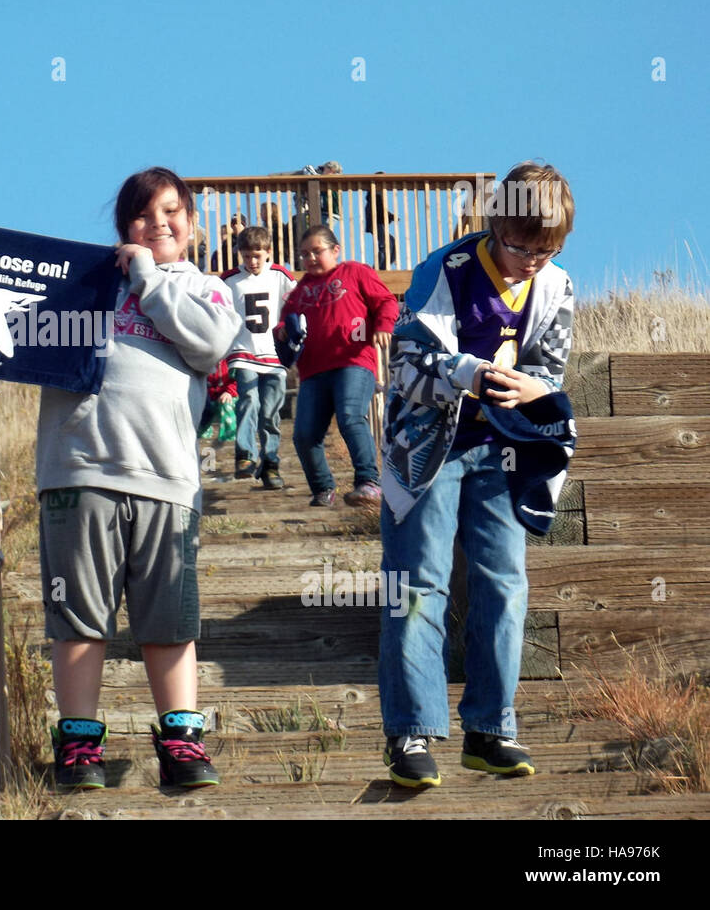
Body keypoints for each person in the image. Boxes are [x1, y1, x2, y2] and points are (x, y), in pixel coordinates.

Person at [34, 167, 241, 791]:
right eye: (144, 215)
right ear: (125, 226)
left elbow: (208, 344)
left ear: (193, 224)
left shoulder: (207, 290)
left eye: (172, 212)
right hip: (79, 472)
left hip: (167, 480)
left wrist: (148, 279)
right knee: (79, 619)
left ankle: (180, 743)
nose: (159, 224)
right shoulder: (82, 283)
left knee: (169, 623)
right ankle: (78, 746)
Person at [377, 161, 575, 788]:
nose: (531, 262)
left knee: (505, 585)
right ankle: (411, 728)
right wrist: (465, 373)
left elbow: (553, 372)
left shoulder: (557, 286)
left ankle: (491, 727)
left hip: (505, 452)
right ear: (494, 225)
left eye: (546, 251)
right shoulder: (446, 269)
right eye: (520, 246)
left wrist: (531, 388)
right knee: (419, 584)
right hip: (428, 450)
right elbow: (405, 365)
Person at [279, 225, 398, 507]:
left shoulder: (356, 272)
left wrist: (383, 325)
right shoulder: (299, 291)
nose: (309, 258)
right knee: (304, 434)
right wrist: (283, 330)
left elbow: (386, 301)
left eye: (316, 251)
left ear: (335, 250)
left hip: (353, 361)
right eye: (304, 254)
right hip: (313, 371)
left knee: (350, 415)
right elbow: (287, 321)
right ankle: (322, 488)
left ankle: (369, 482)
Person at [221, 225, 298, 488]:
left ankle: (271, 462)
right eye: (246, 256)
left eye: (257, 256)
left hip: (274, 354)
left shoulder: (280, 275)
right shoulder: (229, 280)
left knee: (270, 413)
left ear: (268, 252)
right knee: (248, 401)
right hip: (244, 350)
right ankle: (245, 455)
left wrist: (294, 333)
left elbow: (297, 305)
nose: (252, 262)